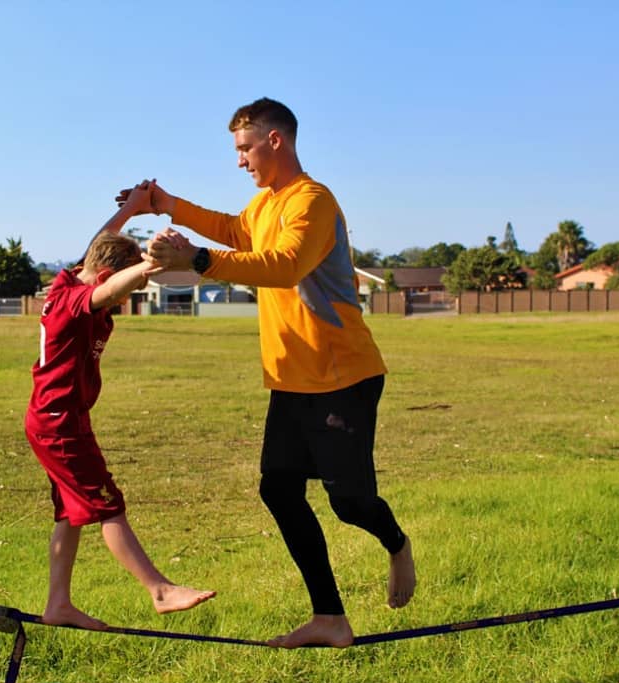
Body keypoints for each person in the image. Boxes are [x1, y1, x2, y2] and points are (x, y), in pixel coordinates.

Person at [119, 98, 415, 648]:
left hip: (341, 375)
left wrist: (198, 261)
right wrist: (163, 204)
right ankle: (330, 618)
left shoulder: (313, 201)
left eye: (244, 148)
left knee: (349, 503)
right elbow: (232, 229)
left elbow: (284, 267)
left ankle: (396, 543)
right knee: (278, 490)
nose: (240, 161)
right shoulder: (262, 206)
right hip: (290, 380)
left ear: (275, 141)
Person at [25, 182, 215, 630]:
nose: (127, 300)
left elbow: (99, 245)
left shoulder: (69, 279)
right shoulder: (77, 301)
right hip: (59, 423)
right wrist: (154, 262)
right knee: (107, 505)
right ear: (112, 279)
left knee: (70, 513)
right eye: (129, 289)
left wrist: (130, 209)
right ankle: (160, 590)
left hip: (57, 418)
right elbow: (107, 291)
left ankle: (58, 605)